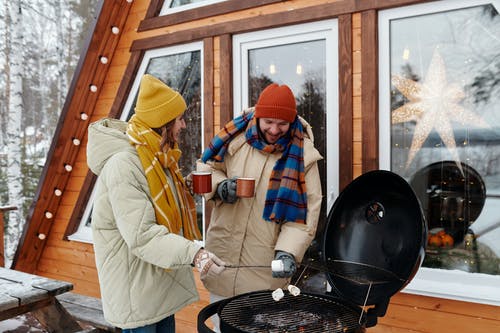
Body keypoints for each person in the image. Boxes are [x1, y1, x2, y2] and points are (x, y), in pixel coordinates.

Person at [86, 74, 225, 333]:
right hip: (136, 295)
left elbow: (154, 202)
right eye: (179, 119)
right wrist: (195, 253)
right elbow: (142, 235)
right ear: (163, 124)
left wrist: (184, 187)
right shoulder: (124, 165)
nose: (183, 126)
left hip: (157, 288)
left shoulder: (154, 156)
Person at [197, 83, 323, 328]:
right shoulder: (235, 138)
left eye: (282, 124)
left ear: (292, 122)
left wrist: (288, 251)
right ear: (258, 117)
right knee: (219, 324)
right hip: (223, 259)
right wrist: (220, 186)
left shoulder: (303, 155)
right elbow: (206, 169)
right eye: (268, 122)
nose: (274, 130)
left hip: (263, 270)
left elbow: (305, 213)